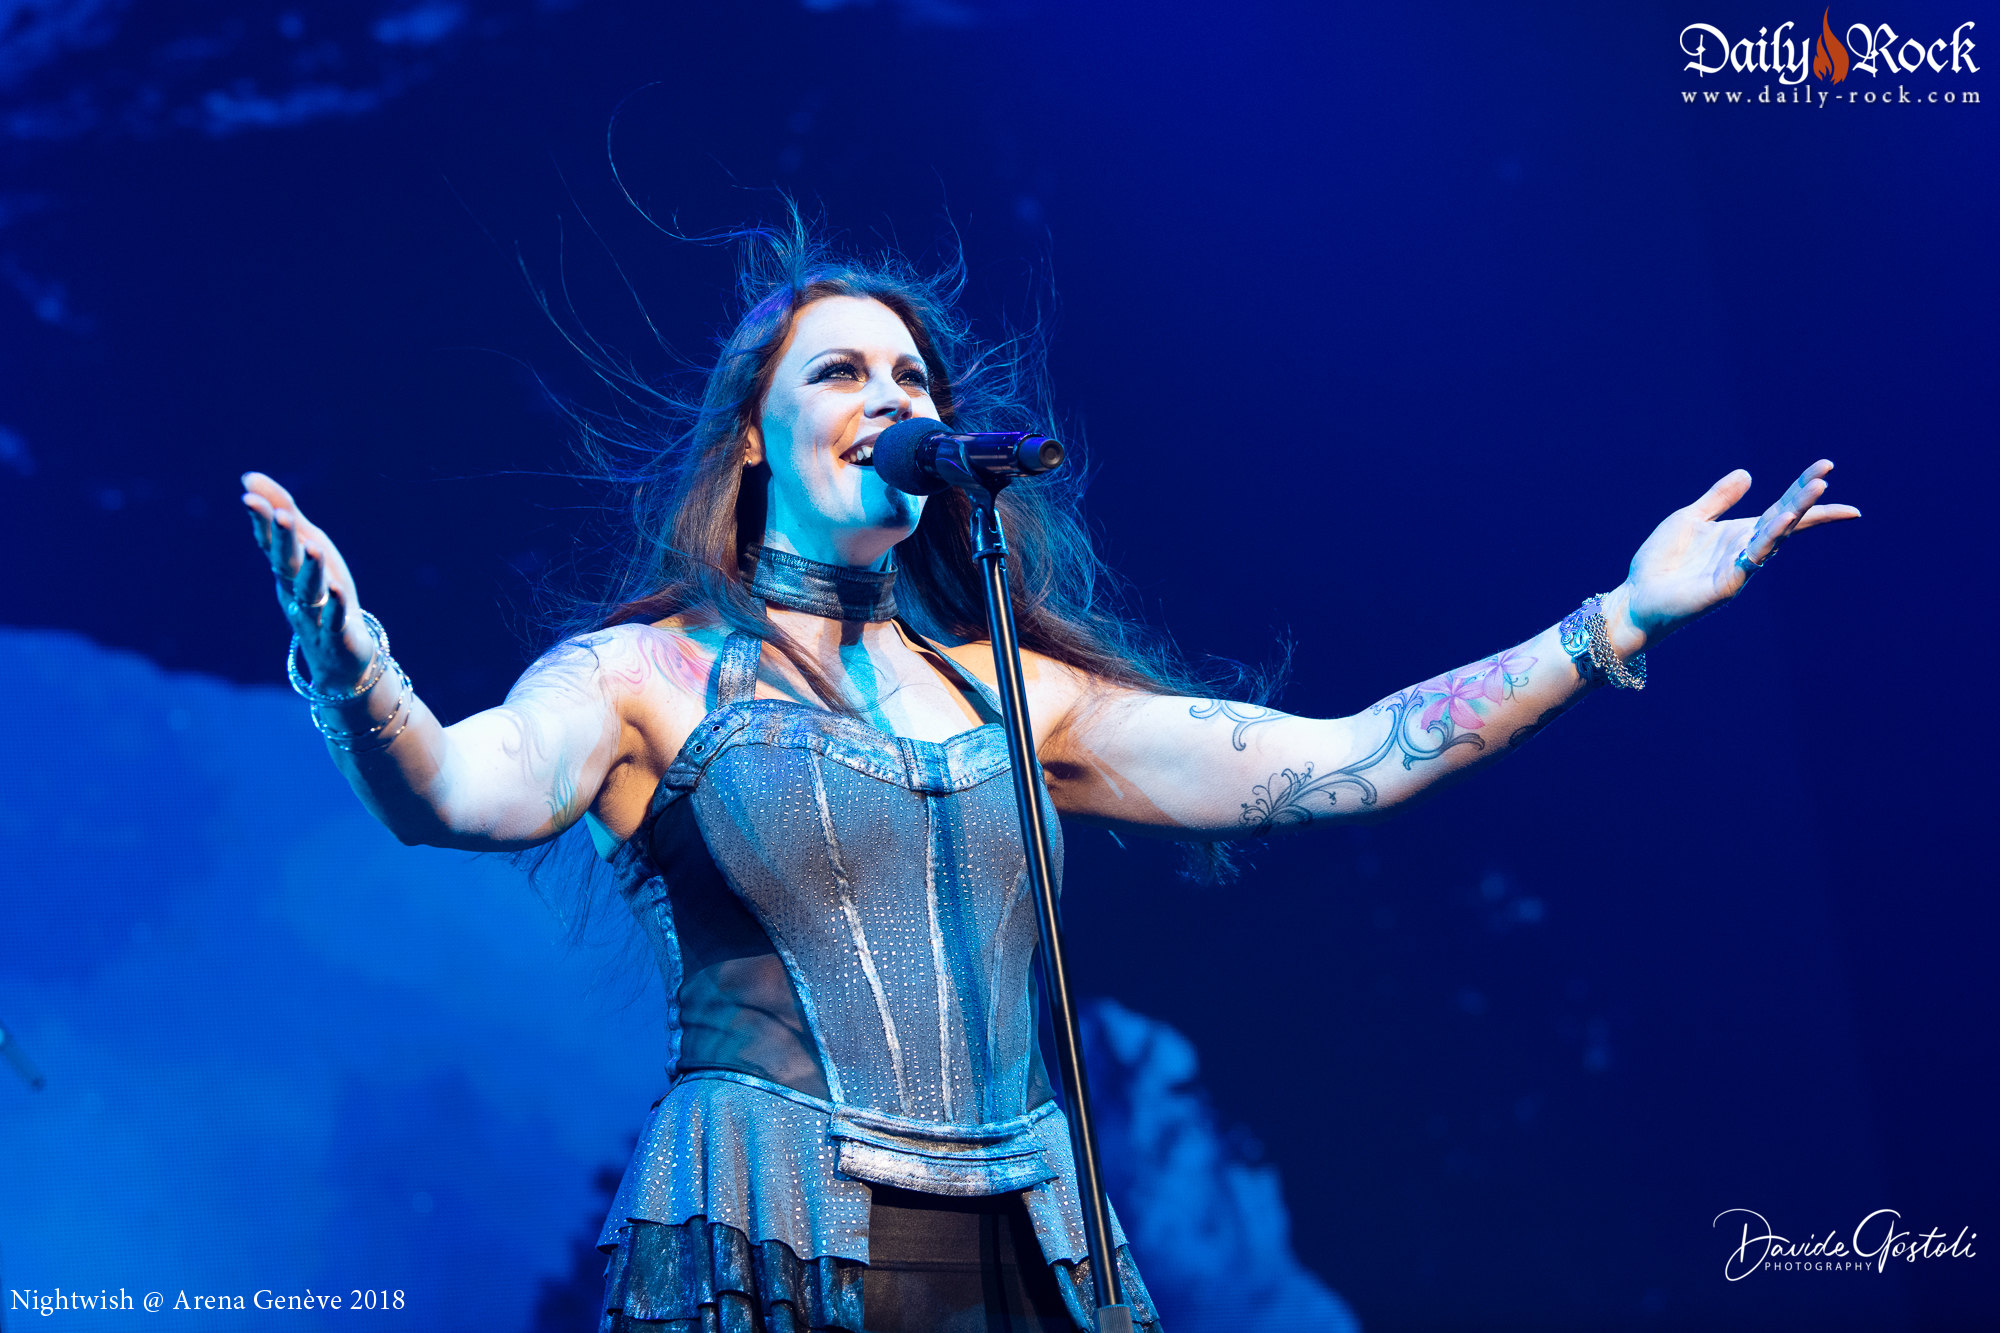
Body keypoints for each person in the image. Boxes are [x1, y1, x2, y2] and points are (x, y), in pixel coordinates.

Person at [240, 230, 1857, 1333]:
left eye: (913, 381)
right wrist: (353, 670)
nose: (892, 401)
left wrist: (1615, 618)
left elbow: (1347, 763)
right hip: (775, 1229)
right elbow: (455, 793)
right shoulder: (642, 675)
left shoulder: (1018, 691)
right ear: (752, 441)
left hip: (1028, 1246)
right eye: (842, 374)